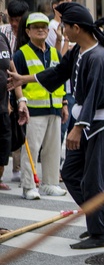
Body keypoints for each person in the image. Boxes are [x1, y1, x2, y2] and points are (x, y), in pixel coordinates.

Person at [7, 2, 104, 249]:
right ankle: (99, 216)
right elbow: (58, 72)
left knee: (95, 179)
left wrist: (78, 127)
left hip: (101, 124)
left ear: (76, 27)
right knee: (71, 173)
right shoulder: (78, 51)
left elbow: (94, 94)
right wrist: (24, 78)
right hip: (86, 121)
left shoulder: (99, 56)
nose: (61, 30)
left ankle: (98, 233)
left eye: (64, 26)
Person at [12, 13, 68, 200]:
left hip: (55, 107)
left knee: (53, 148)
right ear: (28, 31)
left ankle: (50, 183)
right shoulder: (21, 54)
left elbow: (60, 79)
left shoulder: (54, 52)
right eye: (36, 27)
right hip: (34, 109)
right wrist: (21, 103)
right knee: (32, 149)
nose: (41, 29)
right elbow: (16, 81)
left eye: (44, 26)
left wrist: (65, 103)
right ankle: (29, 186)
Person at [1, 25, 29, 192]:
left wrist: (20, 100)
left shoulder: (2, 40)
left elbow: (12, 72)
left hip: (4, 106)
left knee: (4, 145)